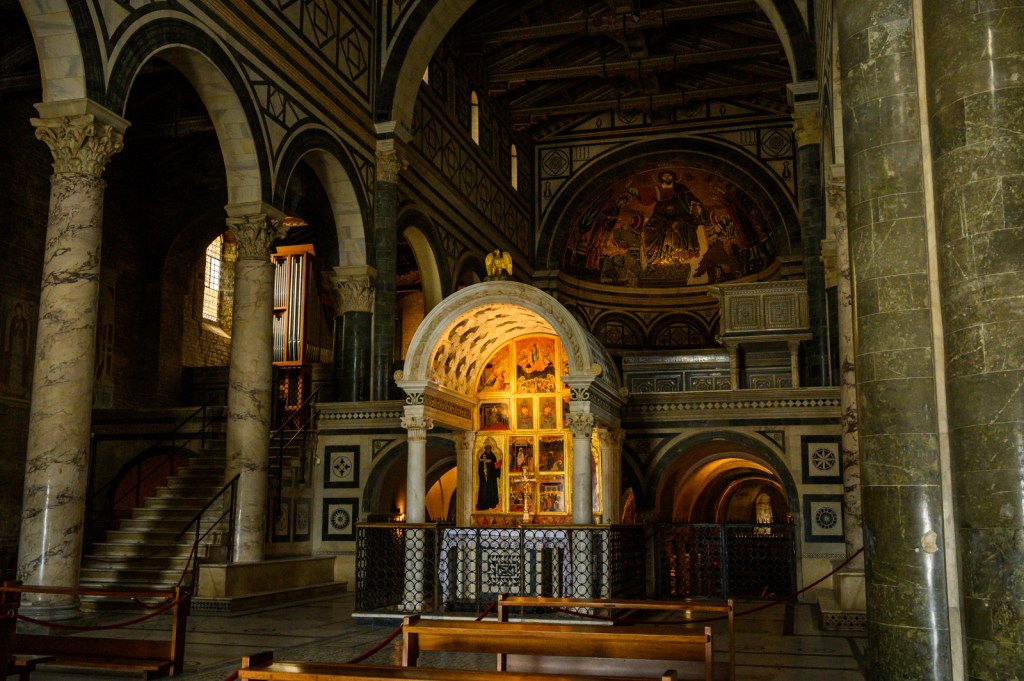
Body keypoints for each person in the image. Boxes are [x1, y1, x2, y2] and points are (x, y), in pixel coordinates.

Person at [476, 444, 501, 511]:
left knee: (491, 490)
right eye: (487, 448)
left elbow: (495, 465)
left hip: (491, 477)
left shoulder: (493, 456)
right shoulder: (482, 456)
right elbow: (480, 467)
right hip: (484, 478)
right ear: (485, 449)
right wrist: (482, 475)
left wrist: (497, 471)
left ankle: (491, 503)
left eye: (489, 448)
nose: (488, 450)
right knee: (484, 490)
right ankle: (483, 504)